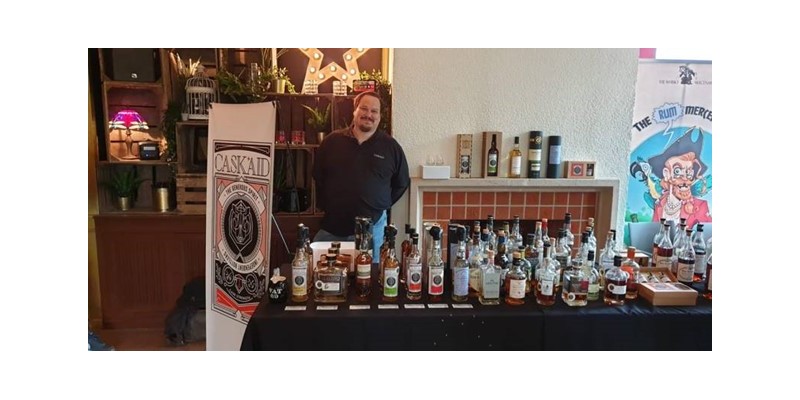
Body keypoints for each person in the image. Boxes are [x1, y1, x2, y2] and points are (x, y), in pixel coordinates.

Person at [312, 91, 410, 257]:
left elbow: (401, 183)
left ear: (379, 116)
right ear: (355, 111)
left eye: (374, 111)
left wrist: (379, 203)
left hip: (373, 228)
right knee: (323, 269)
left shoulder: (391, 147)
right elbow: (318, 175)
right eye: (364, 109)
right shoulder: (332, 142)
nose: (368, 115)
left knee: (369, 271)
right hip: (333, 227)